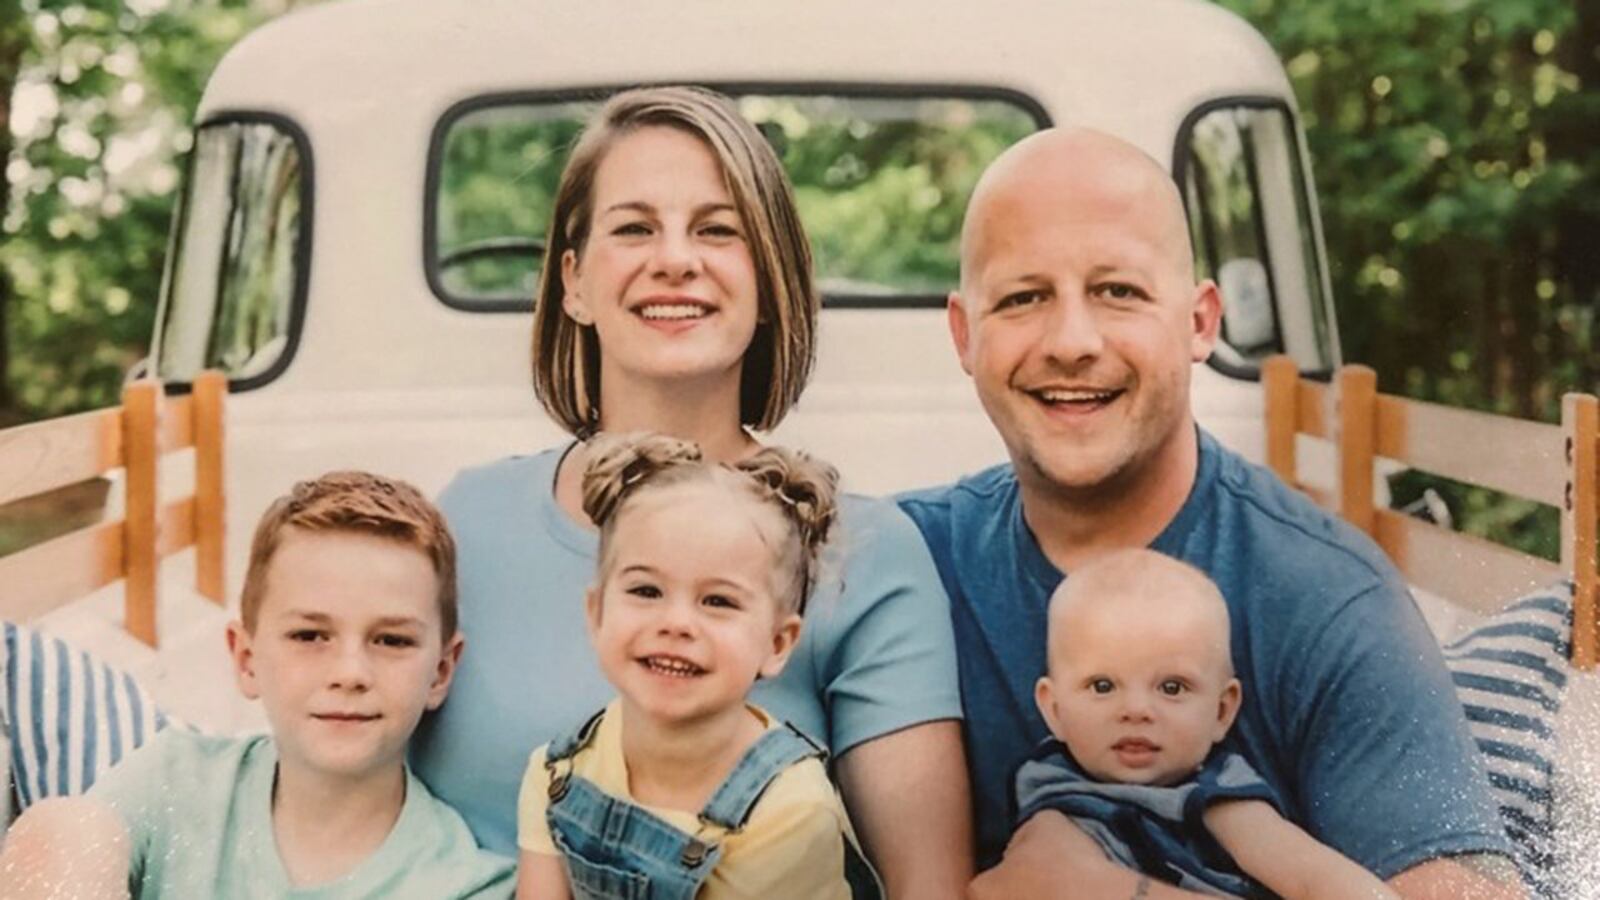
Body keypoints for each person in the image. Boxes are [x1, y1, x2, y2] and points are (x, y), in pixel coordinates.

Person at [895, 126, 1524, 898]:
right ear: (964, 334)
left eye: (1117, 292)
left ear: (1199, 322)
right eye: (1024, 298)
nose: (1072, 341)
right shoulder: (904, 564)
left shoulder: (1323, 594)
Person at [409, 85, 970, 897]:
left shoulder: (863, 552)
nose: (675, 258)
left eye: (717, 230)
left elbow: (927, 888)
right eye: (634, 228)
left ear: (771, 279)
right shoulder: (467, 520)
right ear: (573, 282)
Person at [0, 472, 514, 899]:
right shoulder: (172, 782)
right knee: (61, 826)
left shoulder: (464, 884)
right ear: (246, 658)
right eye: (310, 635)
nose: (350, 672)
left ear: (442, 671)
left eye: (391, 641)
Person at [517, 433, 872, 900]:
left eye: (718, 601)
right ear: (597, 612)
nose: (677, 623)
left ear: (777, 642)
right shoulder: (561, 771)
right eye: (646, 591)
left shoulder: (790, 810)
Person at [1015, 548, 1398, 900]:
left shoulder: (1216, 795)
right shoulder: (1049, 785)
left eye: (1171, 687)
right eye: (1103, 686)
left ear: (1221, 712)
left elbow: (1311, 874)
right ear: (1054, 708)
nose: (1135, 710)